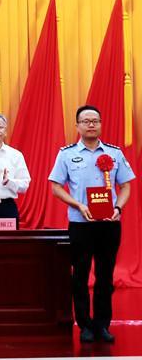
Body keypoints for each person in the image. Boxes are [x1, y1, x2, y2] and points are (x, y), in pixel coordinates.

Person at [49, 105, 135, 343]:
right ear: (77, 126)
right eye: (86, 121)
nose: (91, 125)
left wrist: (118, 208)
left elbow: (126, 185)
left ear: (100, 124)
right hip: (81, 224)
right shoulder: (66, 154)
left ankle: (102, 325)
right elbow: (56, 187)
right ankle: (85, 324)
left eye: (95, 121)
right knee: (80, 275)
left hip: (109, 224)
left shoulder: (114, 153)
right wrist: (78, 205)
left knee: (105, 276)